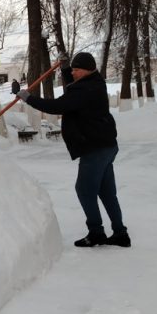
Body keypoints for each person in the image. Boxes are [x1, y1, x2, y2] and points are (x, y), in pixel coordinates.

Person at [16, 52, 130, 248]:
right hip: (105, 145)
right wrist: (65, 67)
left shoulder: (85, 90)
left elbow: (59, 106)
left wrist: (28, 98)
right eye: (73, 69)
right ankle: (120, 233)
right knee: (106, 192)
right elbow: (74, 85)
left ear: (88, 70)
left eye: (77, 70)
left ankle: (96, 233)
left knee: (85, 191)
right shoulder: (95, 82)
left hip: (94, 148)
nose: (73, 73)